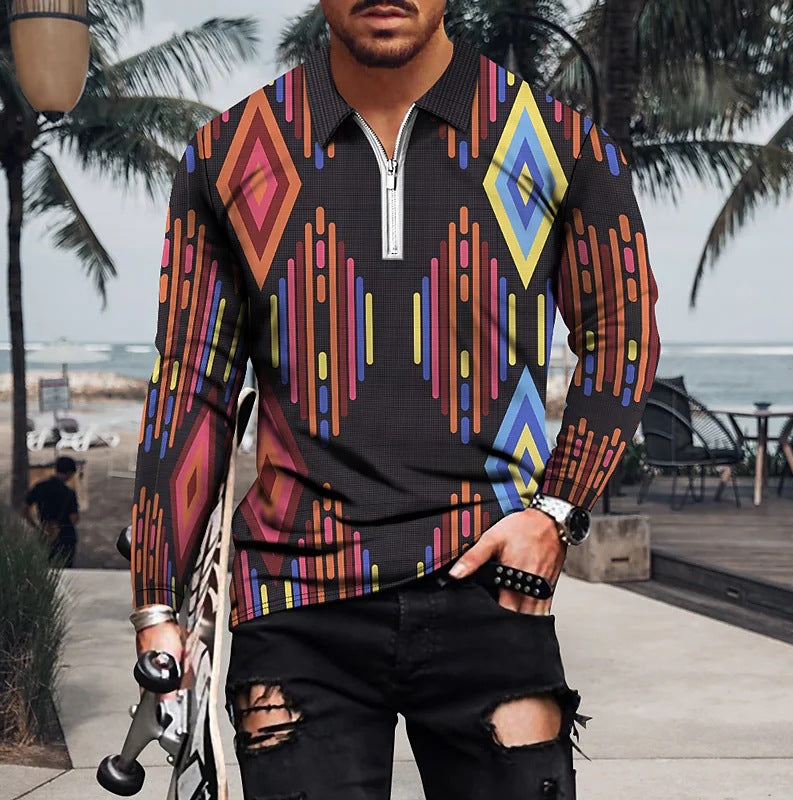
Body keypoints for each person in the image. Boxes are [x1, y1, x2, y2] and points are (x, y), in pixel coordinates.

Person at [130, 1, 661, 797]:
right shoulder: (230, 152)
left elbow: (623, 336)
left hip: (491, 584)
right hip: (296, 597)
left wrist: (556, 511)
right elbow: (192, 385)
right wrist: (155, 607)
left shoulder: (558, 141)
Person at [23, 455, 80, 567]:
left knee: (46, 567)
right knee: (65, 569)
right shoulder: (69, 493)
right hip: (65, 536)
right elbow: (74, 518)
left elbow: (24, 508)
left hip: (45, 534)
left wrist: (36, 526)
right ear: (69, 473)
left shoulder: (39, 487)